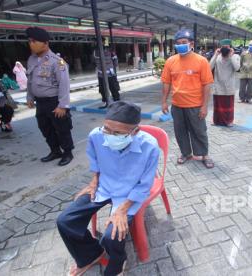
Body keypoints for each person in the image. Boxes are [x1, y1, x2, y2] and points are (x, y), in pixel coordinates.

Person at [57, 101, 159, 276]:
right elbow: (95, 161)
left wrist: (122, 210)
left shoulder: (150, 146)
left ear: (135, 131)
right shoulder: (96, 136)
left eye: (118, 133)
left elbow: (144, 185)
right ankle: (90, 255)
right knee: (65, 221)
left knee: (112, 236)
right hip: (104, 187)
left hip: (129, 193)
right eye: (107, 129)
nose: (110, 135)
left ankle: (118, 263)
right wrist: (93, 182)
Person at [161, 28, 215, 169]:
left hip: (195, 105)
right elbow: (166, 82)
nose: (180, 45)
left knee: (199, 131)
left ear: (191, 44)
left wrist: (204, 106)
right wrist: (164, 102)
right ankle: (186, 153)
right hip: (177, 105)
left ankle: (204, 154)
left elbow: (207, 85)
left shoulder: (201, 61)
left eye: (184, 42)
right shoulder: (170, 61)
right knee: (180, 131)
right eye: (178, 43)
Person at [25, 26, 74, 166]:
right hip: (40, 103)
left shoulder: (57, 62)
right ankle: (55, 150)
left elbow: (64, 84)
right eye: (29, 41)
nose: (31, 44)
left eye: (34, 41)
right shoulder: (31, 60)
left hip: (54, 102)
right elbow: (30, 81)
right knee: (45, 127)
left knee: (62, 128)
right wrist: (29, 97)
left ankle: (68, 152)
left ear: (45, 43)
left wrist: (63, 106)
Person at [210, 39, 240, 127]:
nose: (224, 49)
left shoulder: (235, 56)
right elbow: (209, 67)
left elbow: (237, 68)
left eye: (226, 47)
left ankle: (229, 121)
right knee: (217, 104)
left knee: (228, 105)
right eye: (223, 47)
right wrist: (215, 55)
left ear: (230, 48)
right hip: (218, 85)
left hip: (229, 86)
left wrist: (230, 56)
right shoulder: (218, 57)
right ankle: (217, 121)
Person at [94, 38, 120, 109]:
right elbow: (95, 61)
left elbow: (115, 59)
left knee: (113, 88)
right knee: (102, 89)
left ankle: (117, 102)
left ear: (103, 42)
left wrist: (113, 68)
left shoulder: (110, 50)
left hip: (110, 73)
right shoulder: (95, 51)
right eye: (96, 41)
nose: (98, 43)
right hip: (101, 74)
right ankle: (105, 102)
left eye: (100, 41)